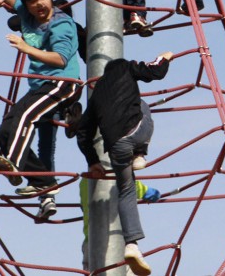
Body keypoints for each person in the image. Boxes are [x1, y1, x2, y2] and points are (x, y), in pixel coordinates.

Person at [0, 0, 82, 222]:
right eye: (33, 1)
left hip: (63, 83)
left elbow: (60, 59)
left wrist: (26, 48)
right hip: (40, 86)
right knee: (5, 130)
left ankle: (15, 166)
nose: (39, 4)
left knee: (25, 117)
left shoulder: (61, 24)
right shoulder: (26, 12)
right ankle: (44, 182)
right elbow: (14, 2)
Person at [74, 51, 174, 276]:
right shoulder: (127, 68)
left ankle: (132, 245)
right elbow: (154, 72)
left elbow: (83, 132)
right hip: (136, 132)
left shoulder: (97, 93)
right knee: (143, 104)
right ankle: (140, 153)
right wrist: (165, 58)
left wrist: (93, 162)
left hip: (115, 147)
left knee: (126, 189)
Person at [78, 177, 161, 272]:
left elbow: (82, 205)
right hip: (118, 241)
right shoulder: (118, 177)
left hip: (90, 242)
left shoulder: (84, 181)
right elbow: (150, 193)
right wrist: (156, 194)